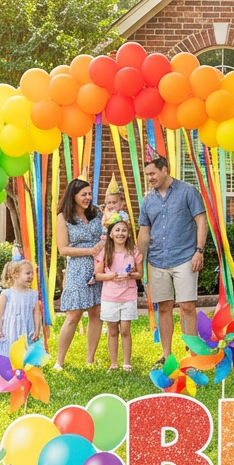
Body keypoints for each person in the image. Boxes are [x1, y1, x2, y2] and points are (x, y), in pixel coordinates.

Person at [137, 155, 207, 365]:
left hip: (185, 257)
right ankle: (167, 355)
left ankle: (194, 355)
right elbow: (144, 232)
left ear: (165, 169)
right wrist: (139, 261)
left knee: (187, 306)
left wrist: (199, 251)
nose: (150, 178)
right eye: (147, 174)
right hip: (158, 261)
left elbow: (201, 222)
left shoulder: (188, 191)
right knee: (164, 307)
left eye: (153, 173)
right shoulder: (148, 200)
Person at [54, 178, 107, 371]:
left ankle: (90, 359)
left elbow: (106, 232)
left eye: (89, 194)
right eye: (83, 194)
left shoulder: (97, 213)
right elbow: (63, 249)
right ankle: (59, 361)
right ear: (73, 196)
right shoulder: (63, 218)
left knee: (96, 312)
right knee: (73, 315)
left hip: (99, 267)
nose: (88, 198)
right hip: (77, 268)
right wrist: (90, 251)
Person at [95, 212, 143, 372]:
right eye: (117, 230)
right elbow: (98, 275)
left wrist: (131, 275)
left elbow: (140, 274)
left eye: (124, 230)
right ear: (110, 234)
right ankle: (114, 363)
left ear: (128, 234)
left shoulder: (133, 252)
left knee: (125, 330)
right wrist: (109, 276)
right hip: (110, 297)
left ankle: (126, 363)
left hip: (128, 296)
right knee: (112, 330)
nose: (120, 233)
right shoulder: (105, 253)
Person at [0, 259, 42, 357]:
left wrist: (37, 330)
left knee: (25, 356)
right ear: (15, 275)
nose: (31, 276)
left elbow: (37, 313)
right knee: (9, 355)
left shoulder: (33, 294)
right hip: (9, 331)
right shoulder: (7, 294)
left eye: (32, 273)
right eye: (27, 273)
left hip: (27, 330)